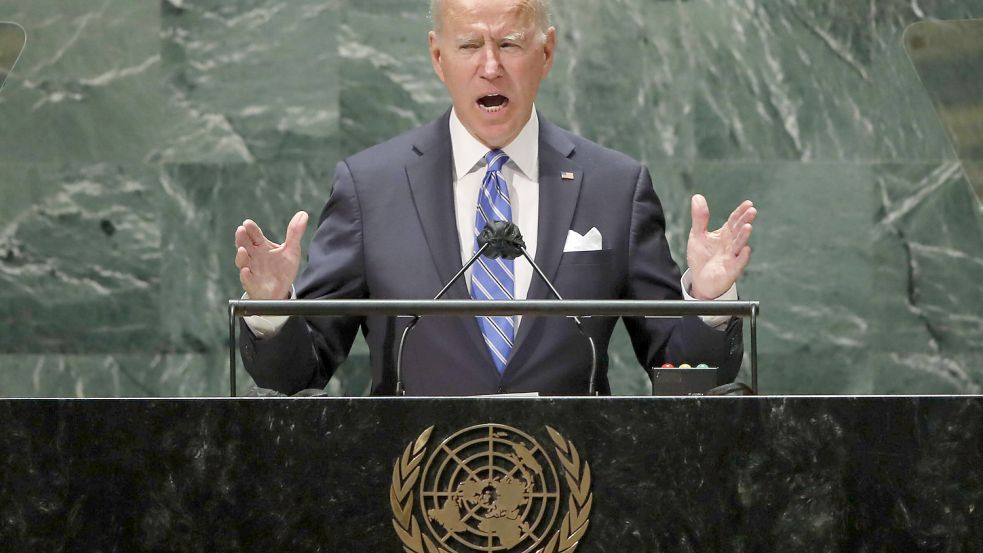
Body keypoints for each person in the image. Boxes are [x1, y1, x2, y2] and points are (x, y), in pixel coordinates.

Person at [234, 0, 757, 396]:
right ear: (438, 57)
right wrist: (273, 308)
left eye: (509, 44)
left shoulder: (614, 187)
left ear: (546, 52)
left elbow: (682, 373)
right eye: (469, 46)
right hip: (412, 496)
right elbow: (300, 374)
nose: (490, 67)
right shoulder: (371, 188)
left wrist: (709, 305)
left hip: (576, 498)